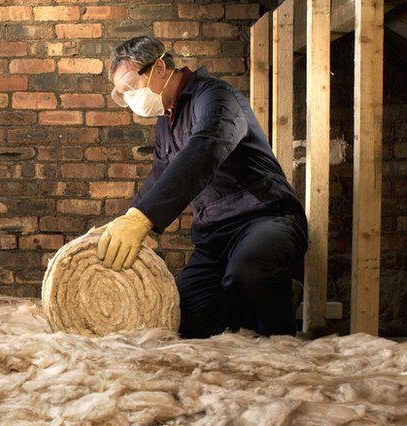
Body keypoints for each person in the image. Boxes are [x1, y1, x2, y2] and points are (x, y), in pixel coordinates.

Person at [97, 36, 308, 338]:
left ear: (159, 67)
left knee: (250, 274)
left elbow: (206, 147)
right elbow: (159, 176)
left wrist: (142, 219)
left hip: (266, 219)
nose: (130, 97)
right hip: (214, 239)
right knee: (186, 316)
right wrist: (125, 220)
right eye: (122, 94)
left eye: (131, 85)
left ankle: (277, 298)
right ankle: (259, 298)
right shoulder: (165, 122)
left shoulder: (216, 97)